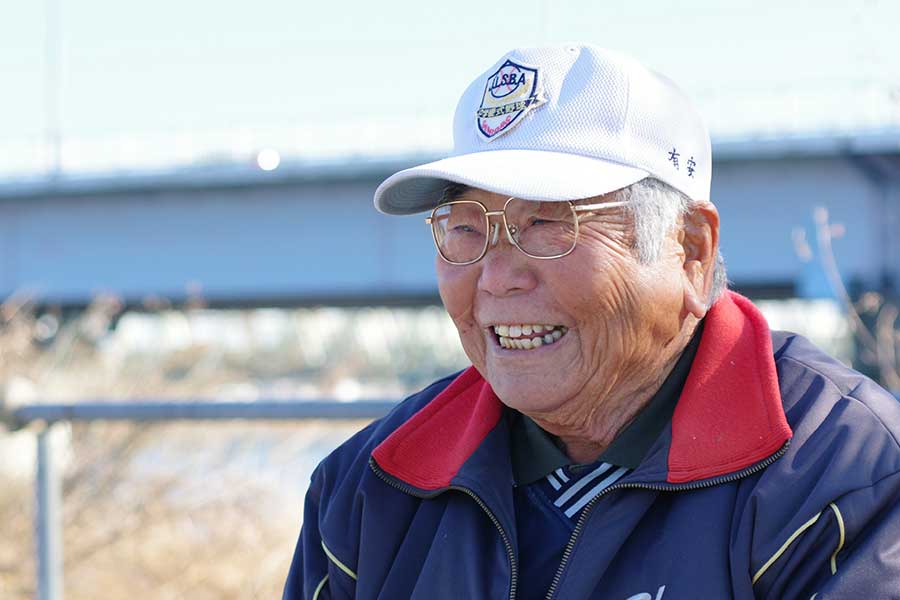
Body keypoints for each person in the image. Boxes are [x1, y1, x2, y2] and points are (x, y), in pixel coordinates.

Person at [283, 44, 900, 599]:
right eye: (465, 227)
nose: (497, 278)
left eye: (548, 224)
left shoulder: (845, 478)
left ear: (689, 250)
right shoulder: (368, 489)